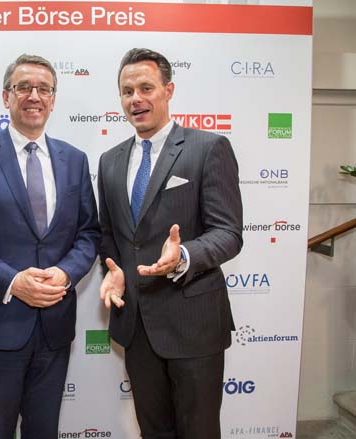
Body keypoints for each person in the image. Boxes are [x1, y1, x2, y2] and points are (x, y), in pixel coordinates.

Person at [0, 54, 100, 439]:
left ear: (53, 99)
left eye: (44, 89)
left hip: (55, 326)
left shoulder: (75, 160)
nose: (34, 95)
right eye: (23, 87)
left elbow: (89, 233)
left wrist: (65, 273)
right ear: (6, 96)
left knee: (44, 431)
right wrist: (12, 281)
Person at [98, 48, 243, 439]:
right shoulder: (109, 161)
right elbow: (109, 233)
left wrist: (184, 255)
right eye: (127, 91)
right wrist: (114, 270)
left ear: (168, 90)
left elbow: (229, 232)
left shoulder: (208, 148)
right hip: (136, 325)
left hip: (193, 323)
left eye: (146, 88)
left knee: (198, 431)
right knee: (153, 431)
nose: (136, 99)